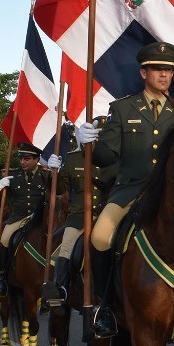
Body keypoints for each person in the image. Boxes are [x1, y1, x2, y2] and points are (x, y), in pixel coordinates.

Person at [74, 41, 174, 338]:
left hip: (171, 195)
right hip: (130, 192)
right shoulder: (122, 109)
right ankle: (105, 306)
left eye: (169, 71)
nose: (164, 76)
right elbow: (106, 157)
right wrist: (88, 143)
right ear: (143, 73)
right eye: (158, 70)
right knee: (99, 237)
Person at [46, 122, 114, 312]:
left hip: (106, 218)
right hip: (78, 217)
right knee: (66, 247)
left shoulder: (113, 160)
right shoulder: (73, 158)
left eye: (100, 135)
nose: (96, 138)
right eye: (94, 134)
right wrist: (54, 173)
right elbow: (59, 189)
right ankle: (61, 290)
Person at [0, 142, 51, 296]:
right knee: (4, 239)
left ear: (37, 159)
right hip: (19, 217)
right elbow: (1, 202)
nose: (23, 162)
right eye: (21, 158)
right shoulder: (14, 176)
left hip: (40, 218)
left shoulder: (46, 176)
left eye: (27, 159)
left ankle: (54, 280)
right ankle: (3, 277)